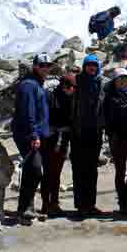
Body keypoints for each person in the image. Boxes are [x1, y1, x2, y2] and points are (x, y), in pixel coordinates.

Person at [12, 53, 52, 224]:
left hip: (36, 134)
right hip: (28, 134)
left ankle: (27, 209)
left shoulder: (36, 83)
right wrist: (34, 134)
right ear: (35, 66)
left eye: (47, 65)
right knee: (34, 169)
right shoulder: (29, 85)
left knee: (32, 171)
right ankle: (24, 209)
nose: (46, 68)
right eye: (42, 65)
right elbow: (29, 112)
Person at [70, 55, 106, 216]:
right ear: (84, 66)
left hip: (95, 132)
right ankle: (80, 205)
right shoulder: (77, 82)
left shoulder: (100, 83)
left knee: (92, 169)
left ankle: (90, 204)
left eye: (94, 65)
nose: (91, 68)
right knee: (79, 169)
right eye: (89, 65)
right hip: (78, 132)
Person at [103, 68, 127, 215]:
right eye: (120, 79)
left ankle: (124, 196)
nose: (123, 81)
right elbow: (107, 117)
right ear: (115, 81)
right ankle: (123, 201)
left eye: (125, 78)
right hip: (118, 139)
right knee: (120, 170)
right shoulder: (109, 97)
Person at [40, 73, 76, 216]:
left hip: (63, 140)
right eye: (70, 86)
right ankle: (45, 204)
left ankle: (54, 203)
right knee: (48, 172)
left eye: (73, 87)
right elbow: (44, 118)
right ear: (63, 85)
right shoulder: (51, 97)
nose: (72, 89)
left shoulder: (71, 98)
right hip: (49, 140)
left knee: (56, 173)